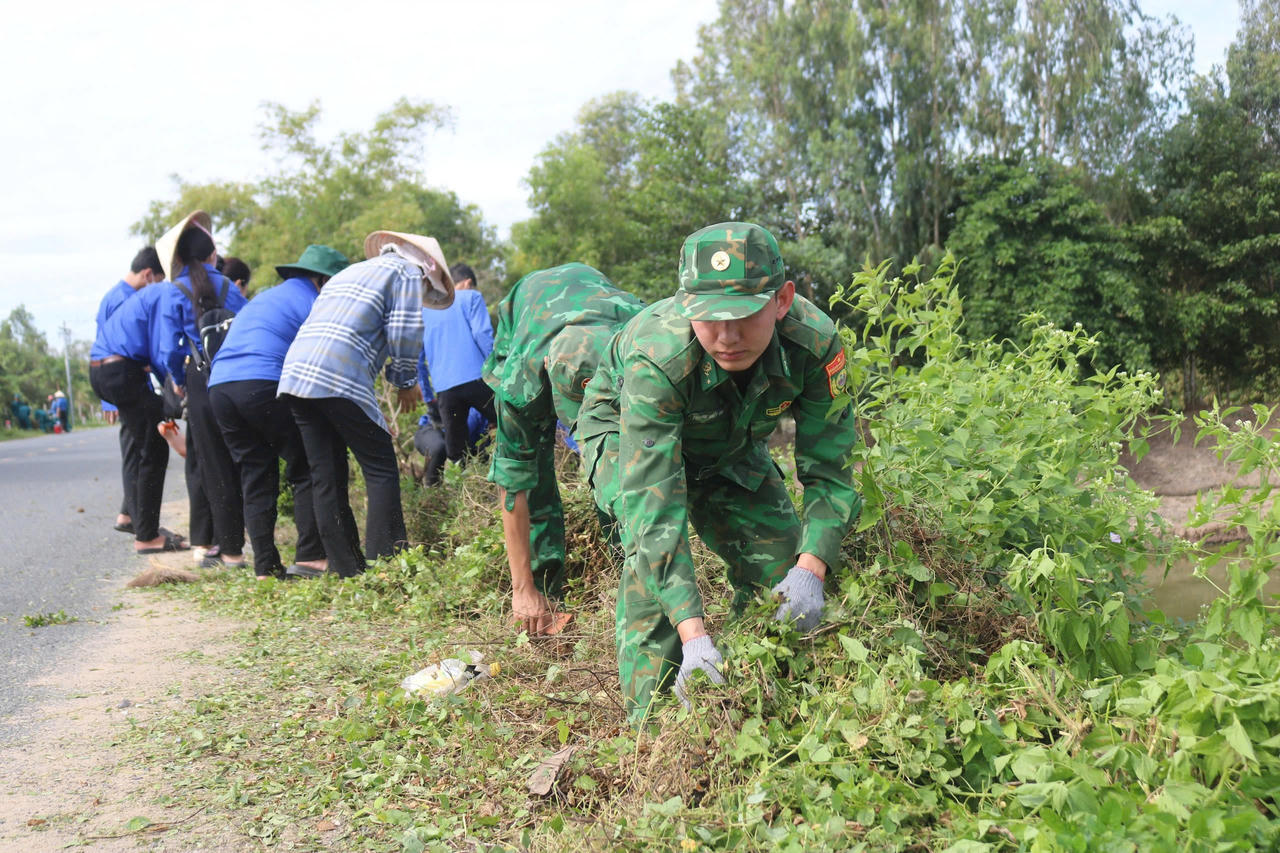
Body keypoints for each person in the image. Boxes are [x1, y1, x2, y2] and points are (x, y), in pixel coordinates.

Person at [576, 222, 862, 722]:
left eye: (745, 315)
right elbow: (654, 511)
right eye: (710, 318)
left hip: (726, 439)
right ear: (686, 305)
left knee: (782, 578)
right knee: (653, 586)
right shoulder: (658, 356)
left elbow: (830, 471)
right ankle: (657, 731)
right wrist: (693, 636)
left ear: (781, 300)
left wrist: (810, 569)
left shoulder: (814, 345)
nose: (727, 337)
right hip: (626, 431)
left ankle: (749, 693)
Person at [278, 230, 453, 578]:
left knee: (326, 475)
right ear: (427, 272)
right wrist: (405, 382)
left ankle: (347, 569)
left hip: (297, 375)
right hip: (336, 375)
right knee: (381, 467)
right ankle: (386, 564)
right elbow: (404, 329)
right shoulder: (407, 271)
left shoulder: (351, 272)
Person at [483, 263, 643, 635]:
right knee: (533, 464)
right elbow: (513, 482)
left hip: (603, 313)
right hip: (527, 314)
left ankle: (632, 574)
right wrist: (522, 588)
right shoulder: (522, 383)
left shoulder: (646, 340)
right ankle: (542, 596)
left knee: (622, 454)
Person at [209, 245, 349, 580]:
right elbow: (327, 362)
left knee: (255, 473)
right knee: (308, 464)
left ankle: (266, 568)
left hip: (220, 387)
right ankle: (312, 556)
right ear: (322, 280)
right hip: (261, 381)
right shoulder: (316, 303)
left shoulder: (265, 297)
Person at [155, 211, 250, 568]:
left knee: (208, 463)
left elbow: (169, 348)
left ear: (179, 258)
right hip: (233, 375)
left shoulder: (173, 291)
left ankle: (223, 550)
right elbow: (248, 325)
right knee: (239, 459)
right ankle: (237, 545)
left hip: (197, 378)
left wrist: (179, 382)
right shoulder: (228, 286)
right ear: (213, 254)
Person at [91, 270, 189, 554]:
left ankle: (132, 518)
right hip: (120, 371)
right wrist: (177, 384)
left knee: (139, 445)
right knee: (153, 447)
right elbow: (164, 349)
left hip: (103, 371)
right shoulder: (167, 293)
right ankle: (146, 536)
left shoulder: (149, 294)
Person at [94, 246, 164, 533]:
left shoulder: (120, 295)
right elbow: (106, 345)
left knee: (137, 445)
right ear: (148, 274)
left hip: (132, 381)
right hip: (123, 383)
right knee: (137, 450)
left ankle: (128, 514)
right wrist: (109, 402)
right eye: (159, 280)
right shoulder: (122, 299)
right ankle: (137, 521)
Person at [419, 262, 496, 467]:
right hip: (478, 380)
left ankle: (461, 481)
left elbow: (418, 360)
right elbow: (482, 334)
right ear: (468, 283)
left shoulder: (425, 311)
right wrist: (496, 371)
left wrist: (428, 397)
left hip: (445, 390)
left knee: (456, 450)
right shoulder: (471, 297)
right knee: (508, 422)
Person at [412, 369, 489, 487]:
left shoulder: (489, 406)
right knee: (440, 448)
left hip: (465, 441)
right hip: (431, 431)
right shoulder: (470, 402)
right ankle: (432, 489)